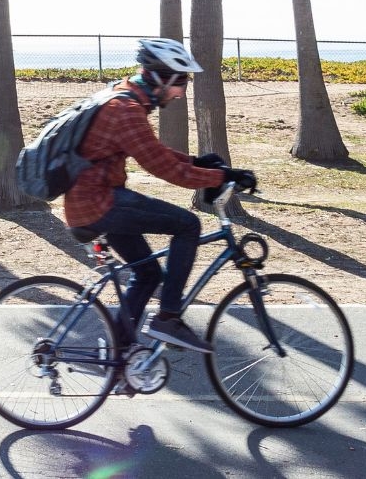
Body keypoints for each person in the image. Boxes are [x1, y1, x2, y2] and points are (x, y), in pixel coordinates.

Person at [64, 38, 256, 354]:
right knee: (187, 225)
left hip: (94, 203)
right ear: (160, 78)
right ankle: (168, 318)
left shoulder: (125, 100)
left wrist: (197, 162)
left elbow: (154, 152)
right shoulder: (124, 109)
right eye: (180, 82)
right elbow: (166, 169)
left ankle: (119, 352)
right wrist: (224, 175)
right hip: (100, 204)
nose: (181, 92)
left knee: (148, 273)